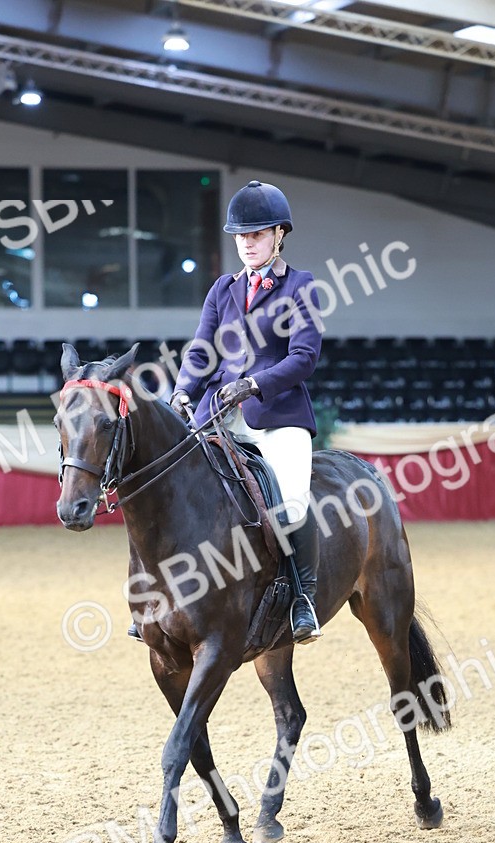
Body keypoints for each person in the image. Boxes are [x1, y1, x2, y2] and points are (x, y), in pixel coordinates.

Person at [140, 179, 323, 643]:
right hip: (217, 411)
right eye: (241, 236)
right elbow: (201, 352)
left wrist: (254, 384)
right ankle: (160, 596)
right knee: (176, 492)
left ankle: (303, 598)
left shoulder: (301, 286)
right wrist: (183, 391)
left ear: (279, 234)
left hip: (277, 413)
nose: (247, 243)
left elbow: (304, 357)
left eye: (256, 234)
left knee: (292, 503)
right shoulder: (222, 289)